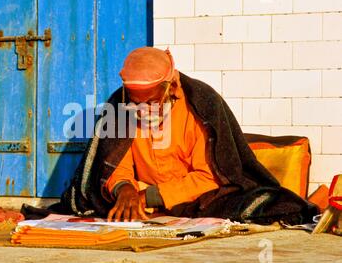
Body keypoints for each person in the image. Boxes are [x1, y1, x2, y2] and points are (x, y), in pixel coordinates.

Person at [59, 47, 318, 225]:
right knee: (91, 201)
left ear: (169, 88)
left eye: (150, 102)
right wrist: (124, 189)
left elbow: (210, 176)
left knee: (273, 206)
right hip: (141, 197)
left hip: (198, 199)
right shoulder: (120, 104)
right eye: (135, 104)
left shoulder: (201, 104)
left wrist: (150, 197)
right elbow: (115, 161)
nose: (141, 110)